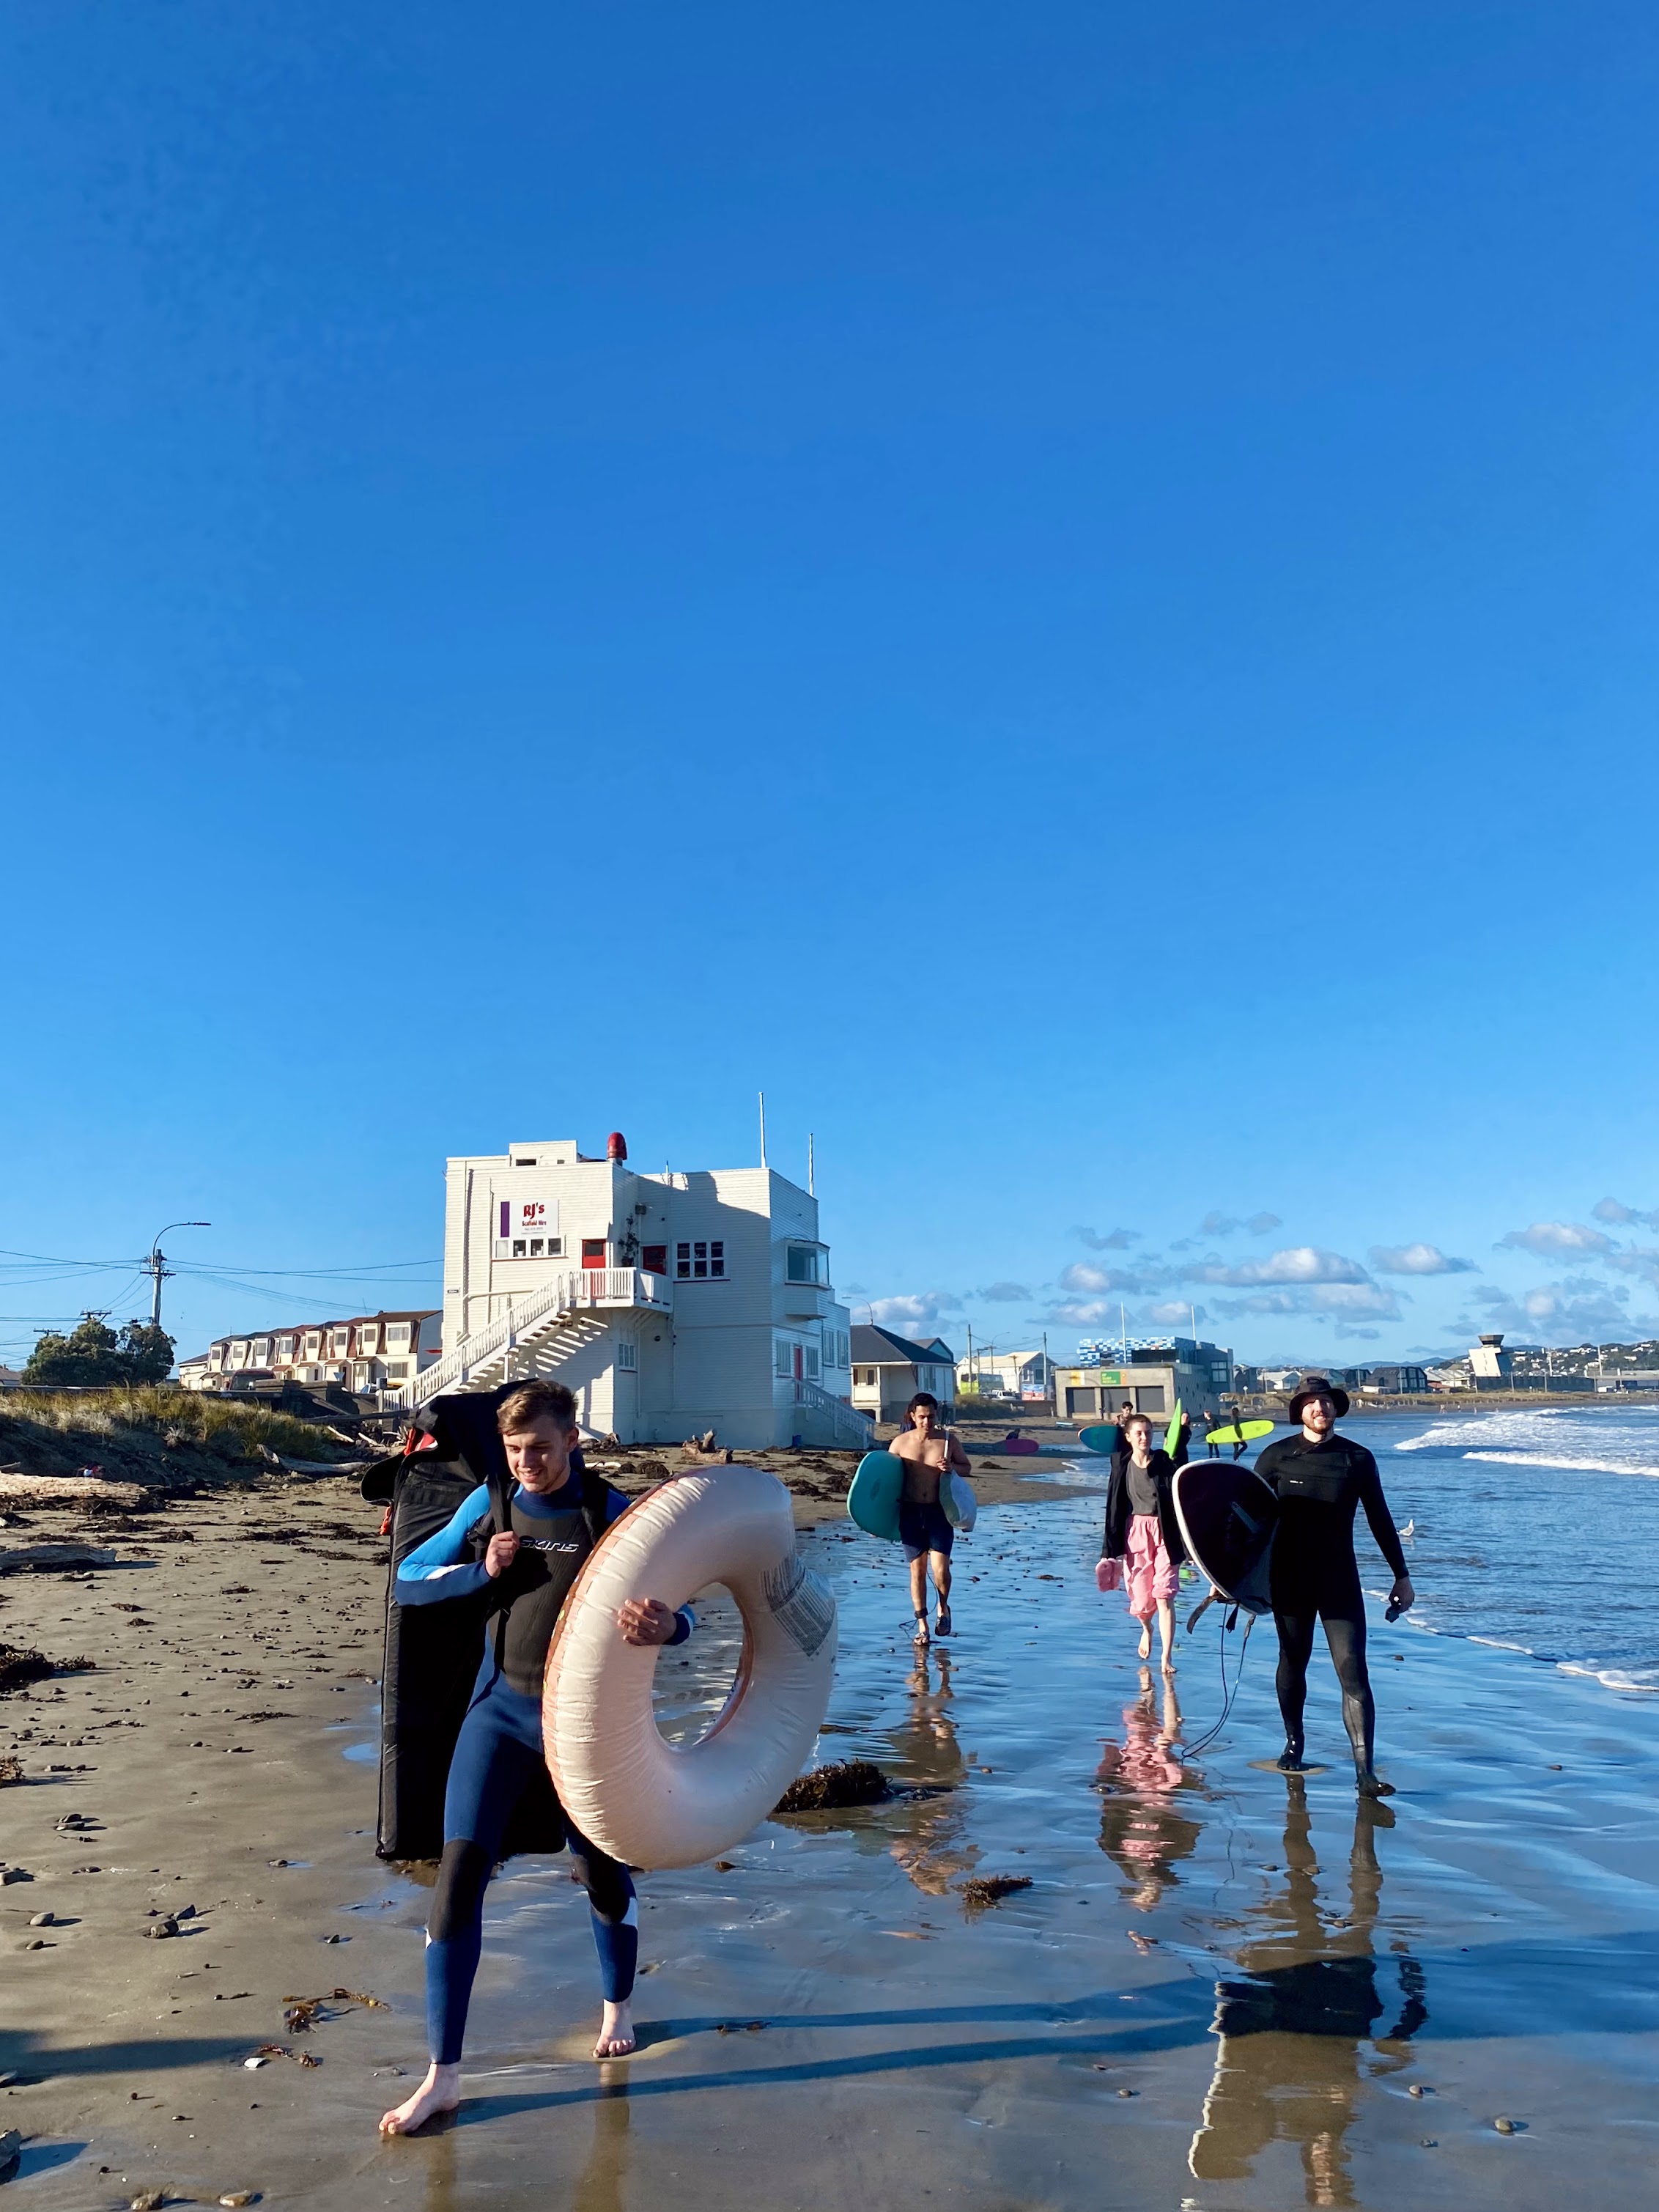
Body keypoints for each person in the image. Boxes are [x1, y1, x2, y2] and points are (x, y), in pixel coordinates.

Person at [378, 1379, 693, 2137]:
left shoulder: (610, 1514)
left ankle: (617, 2005)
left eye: (542, 1450)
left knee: (597, 1871)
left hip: (579, 1732)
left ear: (572, 1440)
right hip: (497, 1716)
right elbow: (408, 1581)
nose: (529, 1464)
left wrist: (667, 1628)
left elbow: (684, 1610)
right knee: (456, 1884)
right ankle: (442, 2076)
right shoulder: (489, 1504)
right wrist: (479, 1572)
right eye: (516, 1450)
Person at [1253, 1379, 1414, 1799]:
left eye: (1325, 1402)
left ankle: (1364, 1773)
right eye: (1310, 1403)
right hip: (1288, 1578)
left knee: (1353, 1671)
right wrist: (1231, 1578)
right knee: (1293, 1663)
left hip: (1339, 1579)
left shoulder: (1357, 1459)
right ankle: (1293, 1742)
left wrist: (1402, 1575)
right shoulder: (1275, 1457)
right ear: (1299, 1411)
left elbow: (1380, 1517)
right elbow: (1247, 1520)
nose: (1319, 1408)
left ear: (1336, 1410)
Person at [1099, 1410, 1191, 1668]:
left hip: (1166, 1532)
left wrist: (1183, 1432)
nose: (1144, 1438)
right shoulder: (1121, 1465)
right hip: (1136, 1532)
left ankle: (1166, 1656)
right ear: (1128, 1437)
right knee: (1140, 1598)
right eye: (1138, 1433)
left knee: (1164, 1594)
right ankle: (1147, 1628)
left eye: (1148, 1433)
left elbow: (1182, 1470)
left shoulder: (1163, 1462)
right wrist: (1109, 1550)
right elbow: (1113, 1508)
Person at [890, 1391, 972, 1644]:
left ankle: (943, 1608)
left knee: (940, 1570)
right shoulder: (900, 1444)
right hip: (911, 1511)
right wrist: (875, 1519)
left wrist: (951, 1467)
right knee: (917, 1570)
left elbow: (966, 1468)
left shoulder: (948, 1440)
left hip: (939, 1512)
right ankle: (922, 1626)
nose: (928, 1422)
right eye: (923, 1417)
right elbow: (885, 1481)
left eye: (932, 1416)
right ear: (913, 1416)